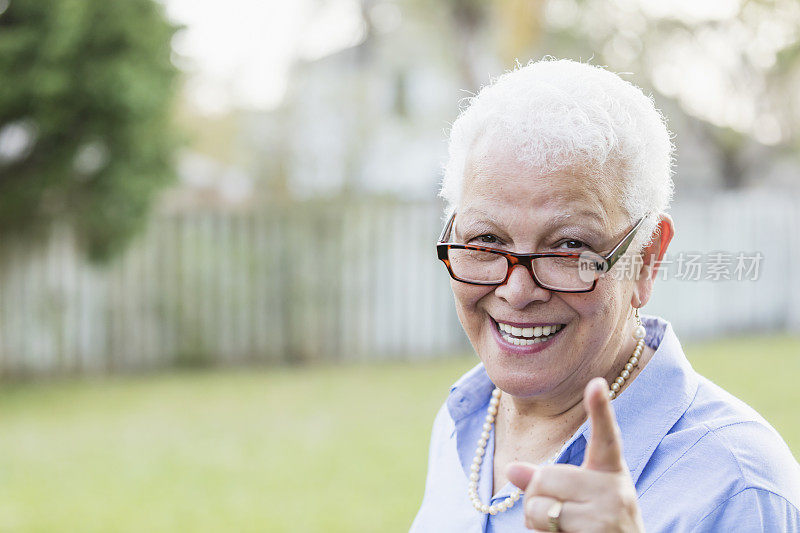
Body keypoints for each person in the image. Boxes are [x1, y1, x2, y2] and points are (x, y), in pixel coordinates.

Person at [410, 59, 800, 532]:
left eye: (570, 245)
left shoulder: (737, 488)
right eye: (486, 241)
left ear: (646, 259)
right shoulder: (464, 421)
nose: (516, 290)